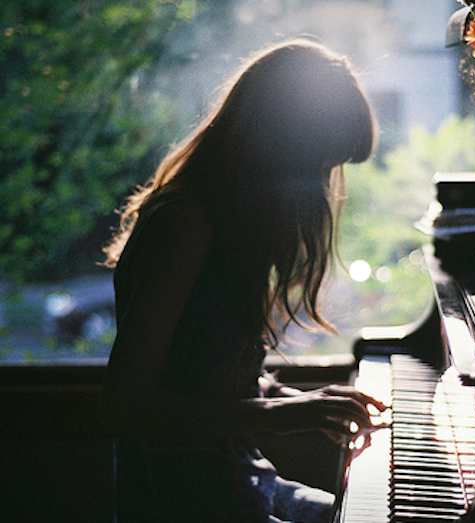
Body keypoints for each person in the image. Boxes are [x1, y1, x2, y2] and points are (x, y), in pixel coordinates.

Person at [101, 38, 386, 523]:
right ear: (279, 147)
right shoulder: (186, 224)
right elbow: (127, 405)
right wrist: (275, 415)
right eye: (318, 162)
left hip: (240, 477)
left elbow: (210, 376)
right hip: (181, 502)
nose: (322, 183)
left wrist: (300, 401)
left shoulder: (229, 223)